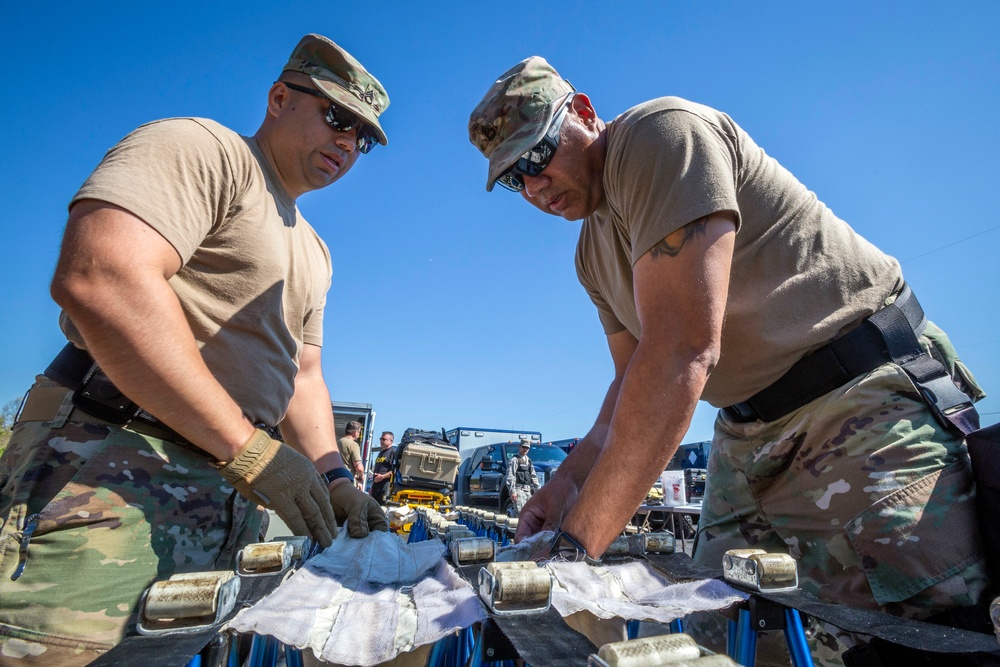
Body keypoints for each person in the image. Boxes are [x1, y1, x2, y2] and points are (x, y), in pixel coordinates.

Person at [468, 57, 990, 661]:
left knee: (913, 641)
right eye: (514, 178)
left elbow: (682, 352)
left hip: (853, 403)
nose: (534, 186)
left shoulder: (659, 136)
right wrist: (561, 490)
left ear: (584, 113)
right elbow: (628, 391)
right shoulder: (591, 254)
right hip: (745, 437)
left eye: (538, 155)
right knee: (713, 632)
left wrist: (571, 552)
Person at [0, 34, 390, 664]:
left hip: (225, 495)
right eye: (337, 117)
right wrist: (250, 450)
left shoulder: (314, 250)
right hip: (114, 467)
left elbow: (304, 374)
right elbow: (101, 277)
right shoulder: (207, 150)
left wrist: (334, 477)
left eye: (363, 137)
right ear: (279, 97)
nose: (348, 143)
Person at [506, 438, 540, 515]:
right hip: (518, 490)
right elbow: (510, 476)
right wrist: (512, 491)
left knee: (530, 514)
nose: (525, 449)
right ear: (519, 446)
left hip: (528, 491)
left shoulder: (528, 461)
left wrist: (538, 490)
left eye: (527, 448)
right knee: (521, 513)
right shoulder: (514, 460)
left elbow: (533, 476)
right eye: (524, 447)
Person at [369, 431, 397, 502]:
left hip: (385, 485)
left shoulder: (392, 453)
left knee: (382, 507)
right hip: (376, 485)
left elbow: (395, 470)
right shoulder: (381, 453)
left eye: (383, 439)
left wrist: (382, 477)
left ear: (391, 441)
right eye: (380, 439)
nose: (381, 441)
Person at [338, 420, 366, 488]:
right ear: (355, 432)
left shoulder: (337, 442)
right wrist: (361, 476)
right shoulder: (353, 444)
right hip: (348, 480)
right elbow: (359, 467)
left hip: (337, 479)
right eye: (359, 432)